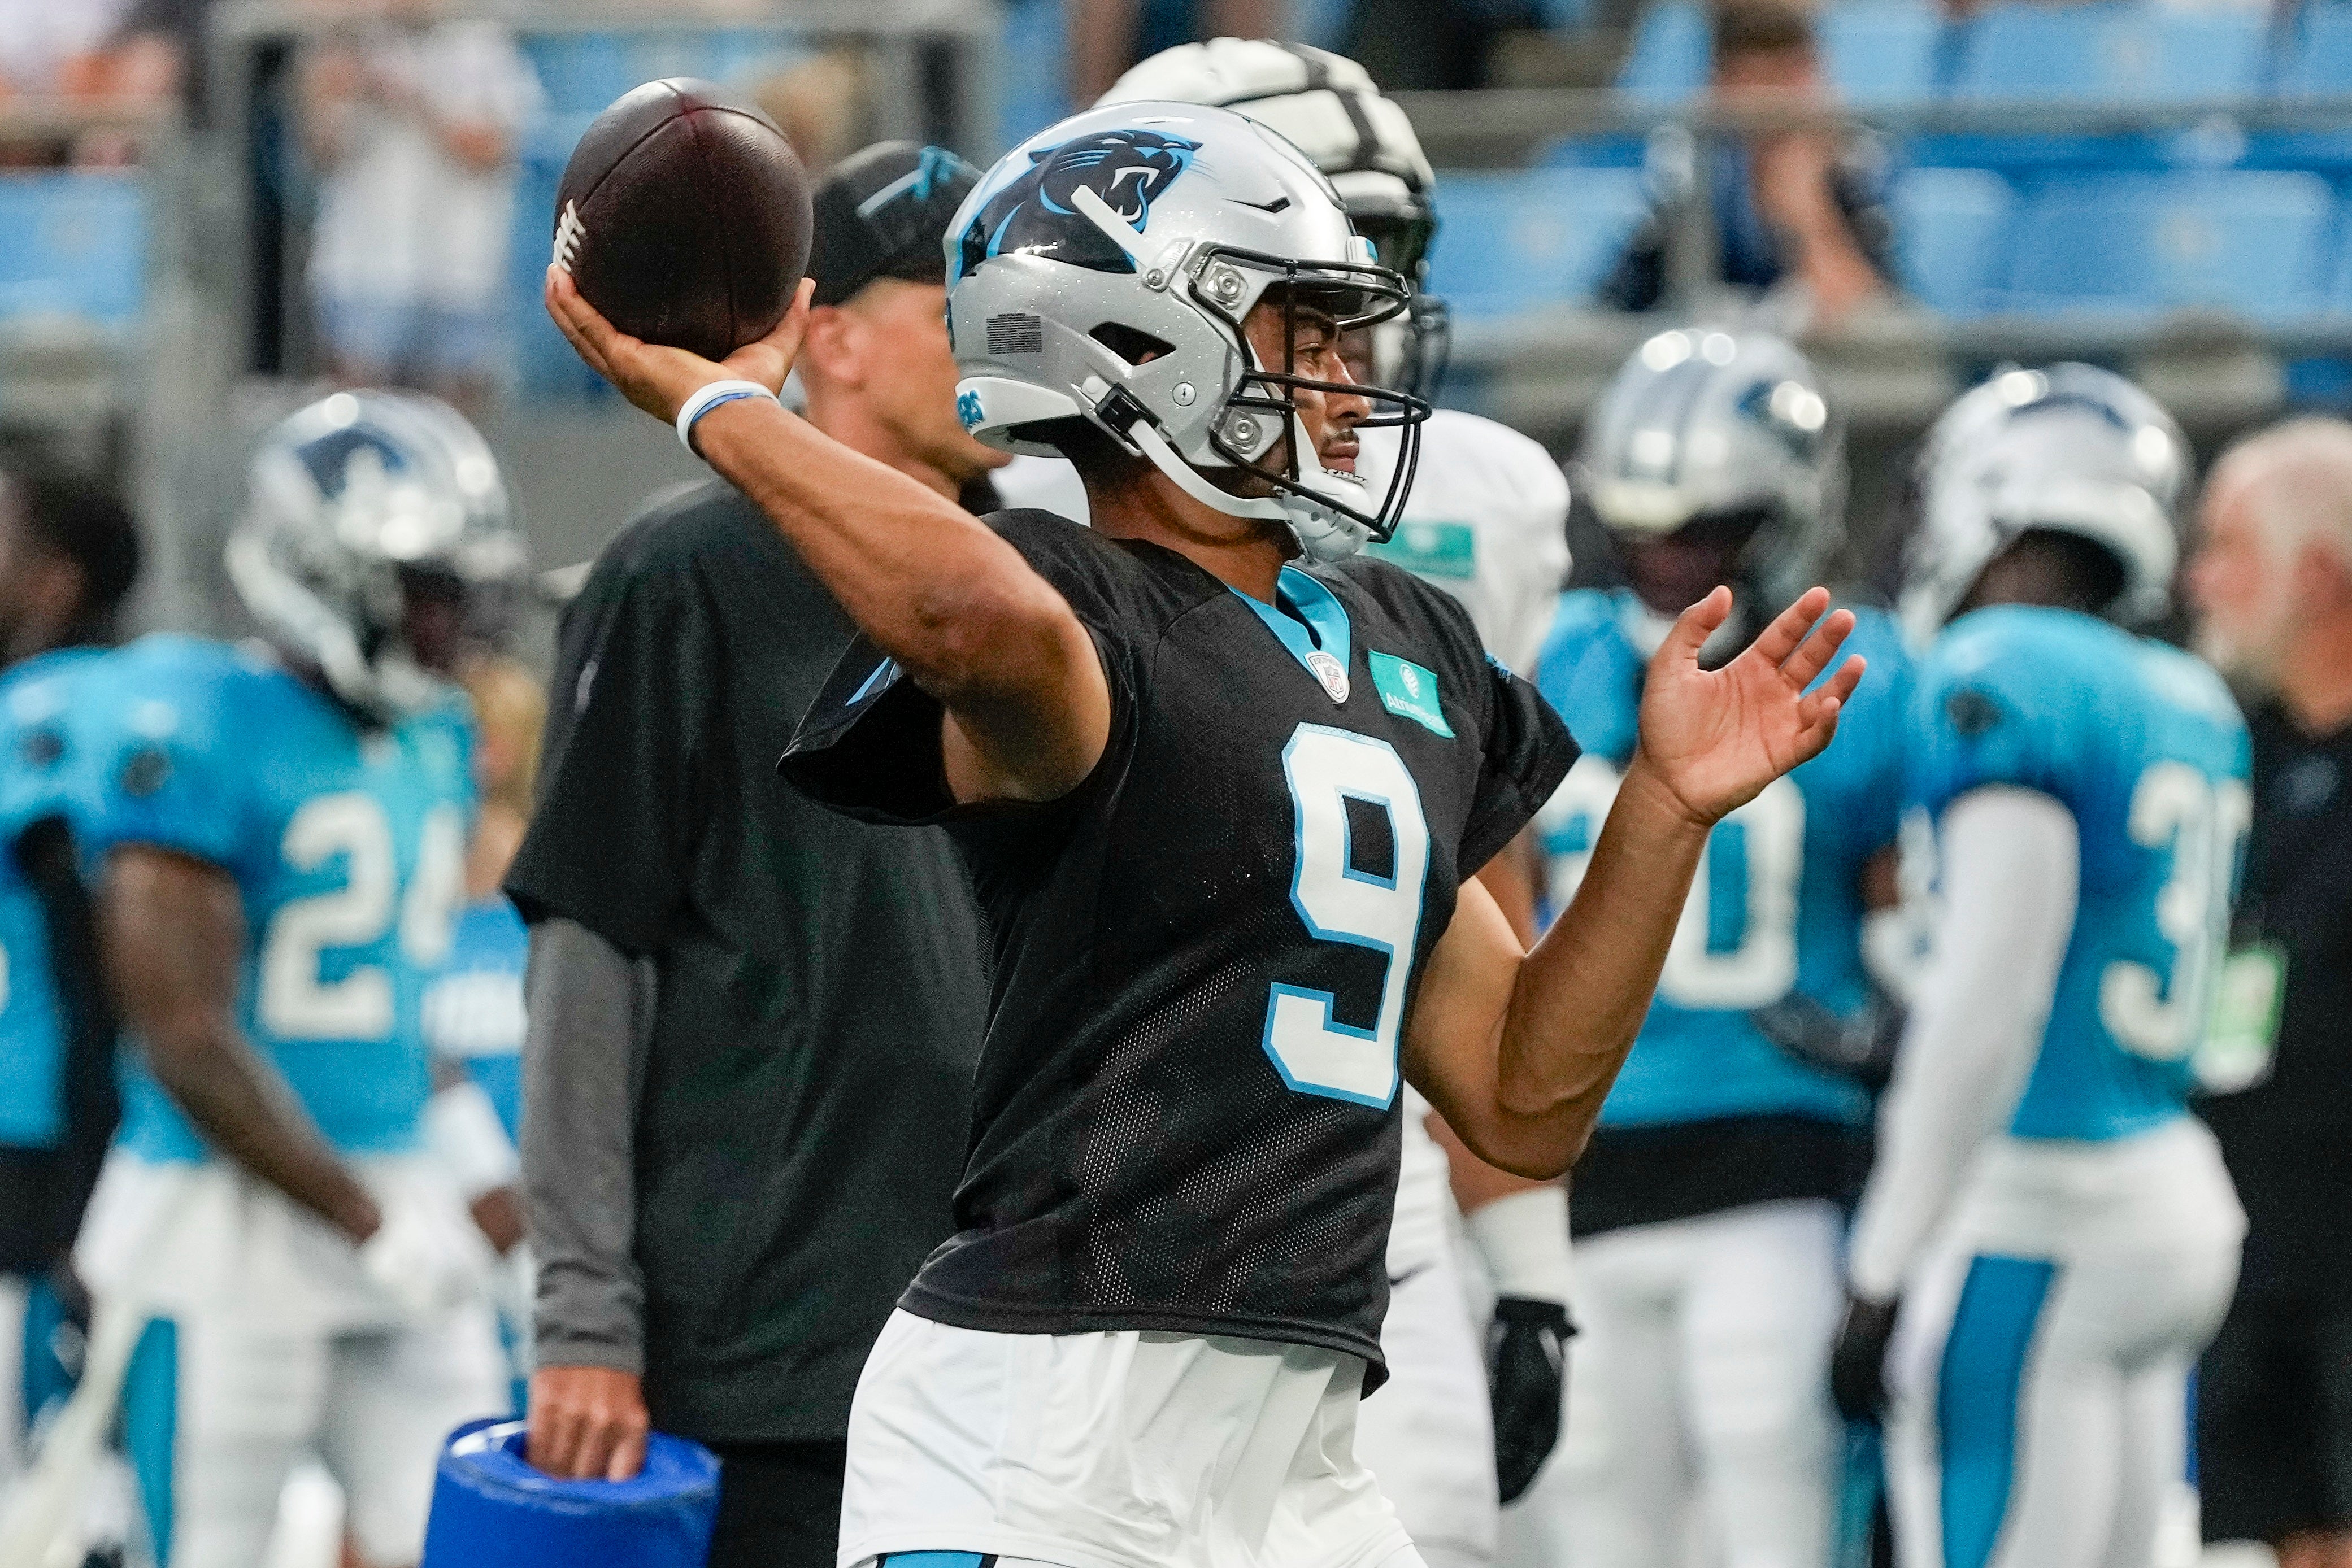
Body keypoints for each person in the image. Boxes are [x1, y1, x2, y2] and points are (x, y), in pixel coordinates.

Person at [545, 95, 1862, 1568]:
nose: (1351, 369)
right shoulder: (1072, 605)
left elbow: (1519, 1099)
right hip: (1045, 1426)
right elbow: (968, 614)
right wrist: (724, 410)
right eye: (1302, 326)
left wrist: (1663, 817)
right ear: (1141, 345)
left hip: (1298, 1446)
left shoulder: (1408, 643)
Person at [1094, 41, 1580, 1562]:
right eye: (1316, 263)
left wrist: (1531, 1265)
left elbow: (1475, 902)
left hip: (1383, 1240)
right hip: (1102, 1244)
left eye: (1384, 264)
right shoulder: (1035, 520)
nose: (1358, 327)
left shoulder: (1476, 506)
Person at [506, 141, 993, 1568]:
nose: (1001, 333)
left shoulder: (1035, 587)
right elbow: (592, 945)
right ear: (825, 331)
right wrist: (583, 1317)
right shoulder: (682, 574)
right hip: (768, 1345)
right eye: (951, 299)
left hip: (998, 1348)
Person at [66, 390, 526, 1568]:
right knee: (209, 1547)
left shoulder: (432, 736)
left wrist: (491, 1194)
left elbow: (399, 999)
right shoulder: (198, 712)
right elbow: (180, 1030)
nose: (447, 626)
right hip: (220, 1221)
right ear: (319, 568)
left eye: (457, 592)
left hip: (392, 1199)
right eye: (423, 590)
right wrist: (365, 1220)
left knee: (464, 1535)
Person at [1500, 328, 1906, 1568]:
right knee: (1598, 1513)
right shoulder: (1541, 650)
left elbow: (1912, 939)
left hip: (1772, 1163)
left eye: (1703, 528)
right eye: (1643, 529)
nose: (1669, 562)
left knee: (1769, 1493)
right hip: (1580, 1164)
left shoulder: (1863, 670)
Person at [1832, 364, 2247, 1568]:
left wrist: (1880, 1261)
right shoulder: (2185, 689)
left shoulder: (2005, 662)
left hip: (2035, 1205)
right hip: (2162, 1191)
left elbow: (1992, 992)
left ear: (1994, 502)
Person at [2184, 417, 2352, 1568]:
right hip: (2247, 1226)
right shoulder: (2224, 754)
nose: (2198, 578)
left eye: (2225, 545)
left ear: (2320, 572)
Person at [0, 465, 139, 1485]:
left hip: (44, 1136)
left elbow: (91, 954)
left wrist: (92, 1180)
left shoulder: (53, 712)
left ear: (55, 579)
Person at [299, 0, 542, 413]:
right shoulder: (352, 42)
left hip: (459, 269)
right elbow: (321, 150)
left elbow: (491, 149)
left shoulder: (479, 39)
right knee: (358, 416)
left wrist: (413, 99)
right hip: (367, 265)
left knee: (456, 420)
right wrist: (333, 87)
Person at [1600, 0, 1890, 326]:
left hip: (1827, 360)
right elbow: (1641, 300)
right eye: (1755, 79)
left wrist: (1808, 215)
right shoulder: (1690, 154)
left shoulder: (1852, 158)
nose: (1773, 101)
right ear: (1720, 84)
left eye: (1788, 78)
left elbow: (1864, 311)